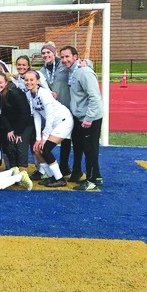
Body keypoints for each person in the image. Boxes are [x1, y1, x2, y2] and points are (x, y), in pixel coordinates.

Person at [60, 46, 103, 190]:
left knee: (90, 149)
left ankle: (92, 180)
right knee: (81, 147)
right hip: (80, 117)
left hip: (90, 118)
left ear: (75, 57)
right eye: (62, 57)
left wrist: (89, 118)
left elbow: (95, 97)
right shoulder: (72, 71)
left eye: (67, 57)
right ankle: (93, 175)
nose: (64, 60)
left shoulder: (84, 72)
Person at [24, 70, 74, 188]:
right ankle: (51, 176)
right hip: (53, 124)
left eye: (32, 80)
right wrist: (37, 138)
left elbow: (50, 117)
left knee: (45, 149)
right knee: (37, 149)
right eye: (26, 80)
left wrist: (44, 138)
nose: (29, 82)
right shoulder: (28, 94)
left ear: (37, 81)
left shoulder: (44, 93)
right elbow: (36, 116)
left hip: (63, 121)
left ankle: (60, 179)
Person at [0, 73, 33, 172]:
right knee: (9, 146)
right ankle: (14, 172)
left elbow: (25, 113)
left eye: (1, 82)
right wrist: (9, 129)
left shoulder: (15, 93)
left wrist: (18, 132)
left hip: (25, 123)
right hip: (12, 124)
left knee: (20, 145)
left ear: (6, 83)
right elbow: (2, 114)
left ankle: (23, 175)